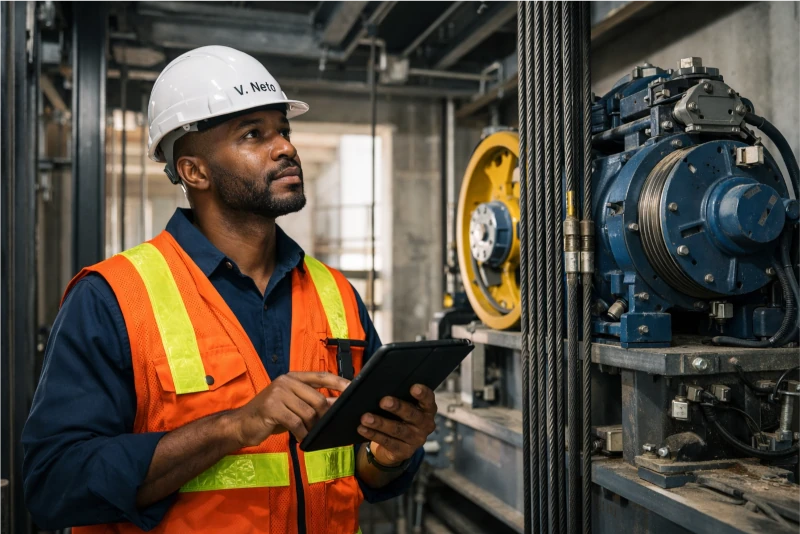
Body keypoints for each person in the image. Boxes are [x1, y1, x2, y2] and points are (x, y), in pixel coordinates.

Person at [22, 45, 436, 534]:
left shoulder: (336, 293)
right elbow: (54, 483)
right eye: (253, 135)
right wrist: (236, 425)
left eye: (283, 130)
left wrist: (391, 453)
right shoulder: (113, 297)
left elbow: (361, 472)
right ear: (195, 172)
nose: (285, 147)